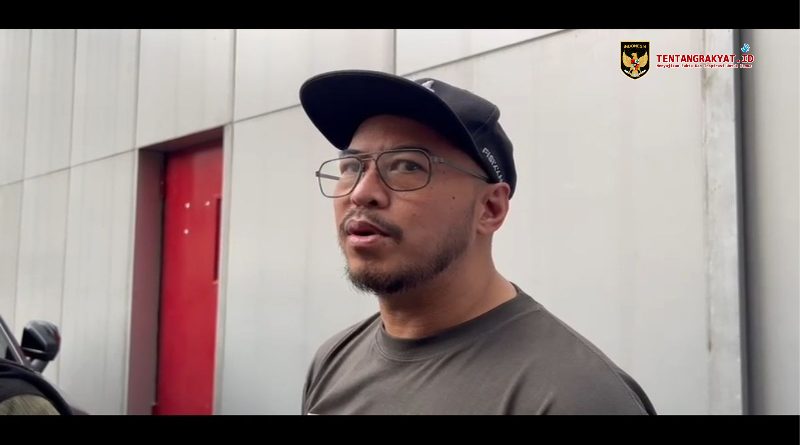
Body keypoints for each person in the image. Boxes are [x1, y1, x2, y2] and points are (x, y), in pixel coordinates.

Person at [298, 69, 656, 415]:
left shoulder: (574, 397)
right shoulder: (334, 362)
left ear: (489, 208)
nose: (361, 193)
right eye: (352, 167)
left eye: (407, 166)